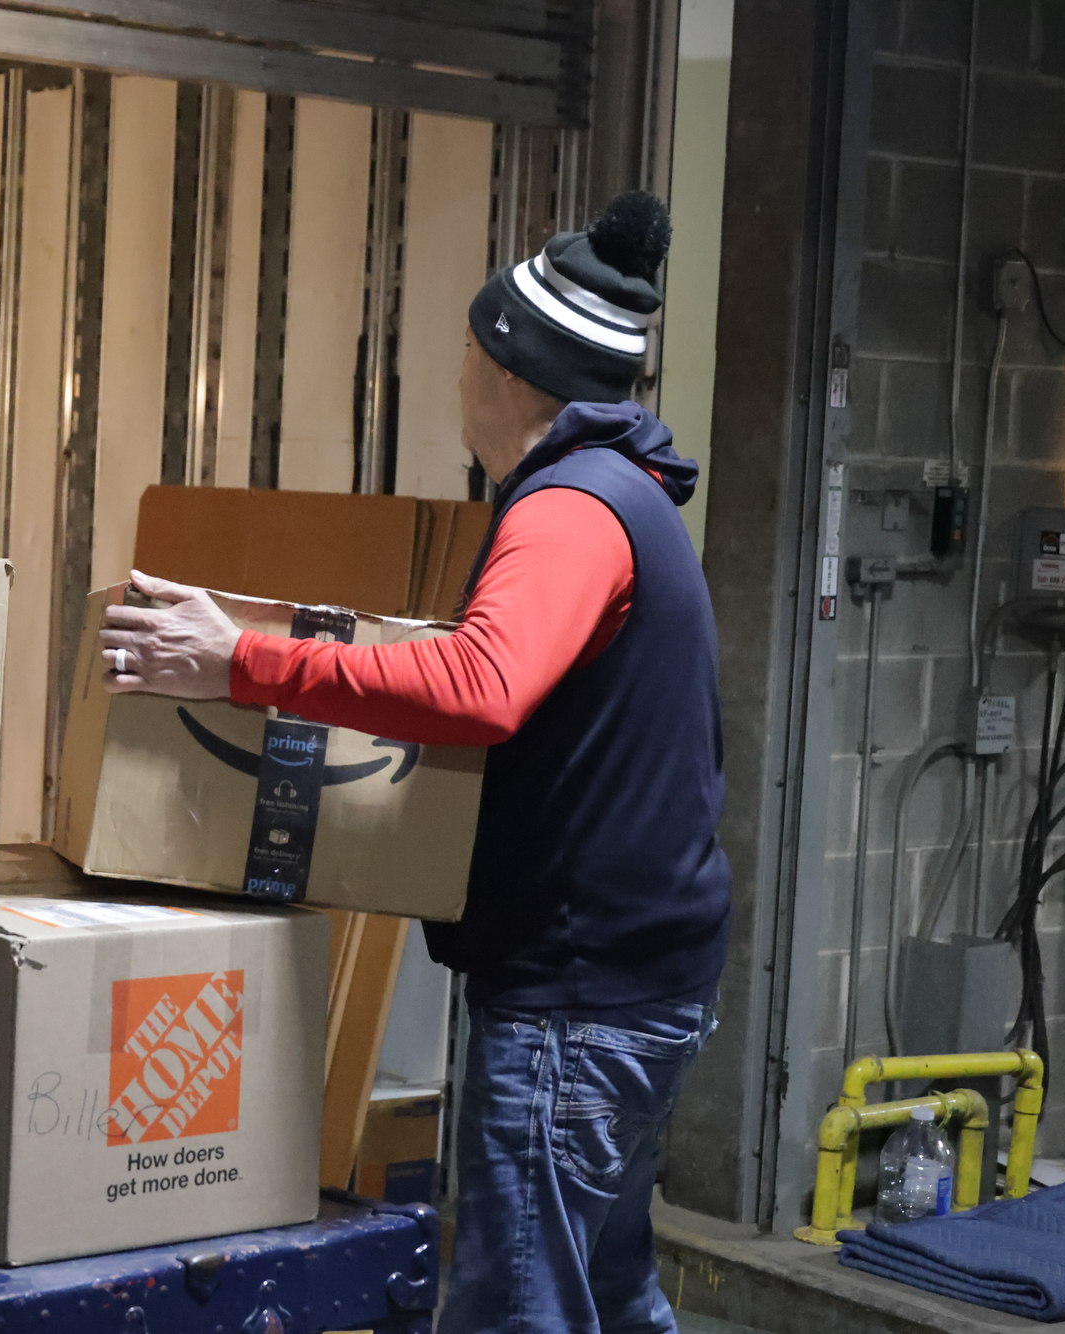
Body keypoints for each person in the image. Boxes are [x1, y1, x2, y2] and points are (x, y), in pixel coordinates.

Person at [98, 191, 730, 1334]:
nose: (453, 379)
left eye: (463, 354)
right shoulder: (621, 499)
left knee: (516, 1305)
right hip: (635, 982)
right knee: (612, 1293)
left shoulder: (571, 510)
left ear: (509, 370)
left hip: (575, 998)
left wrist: (238, 659)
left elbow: (481, 685)